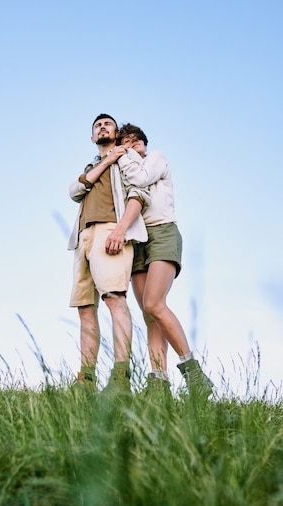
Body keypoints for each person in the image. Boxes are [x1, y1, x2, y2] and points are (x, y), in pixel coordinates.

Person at [117, 122, 214, 396]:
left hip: (162, 232)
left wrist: (126, 154)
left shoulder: (155, 159)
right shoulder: (123, 171)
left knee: (154, 303)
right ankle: (159, 383)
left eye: (136, 141)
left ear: (144, 145)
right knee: (149, 315)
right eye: (125, 142)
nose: (131, 145)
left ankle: (194, 375)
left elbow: (140, 179)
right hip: (137, 240)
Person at [67, 114, 150, 392]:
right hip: (84, 238)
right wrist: (107, 160)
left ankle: (120, 379)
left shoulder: (127, 159)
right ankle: (86, 380)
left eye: (108, 125)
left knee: (115, 300)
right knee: (85, 308)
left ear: (116, 135)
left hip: (110, 232)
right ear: (93, 138)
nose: (102, 127)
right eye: (97, 126)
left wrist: (120, 231)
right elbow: (75, 191)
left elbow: (139, 194)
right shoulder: (94, 165)